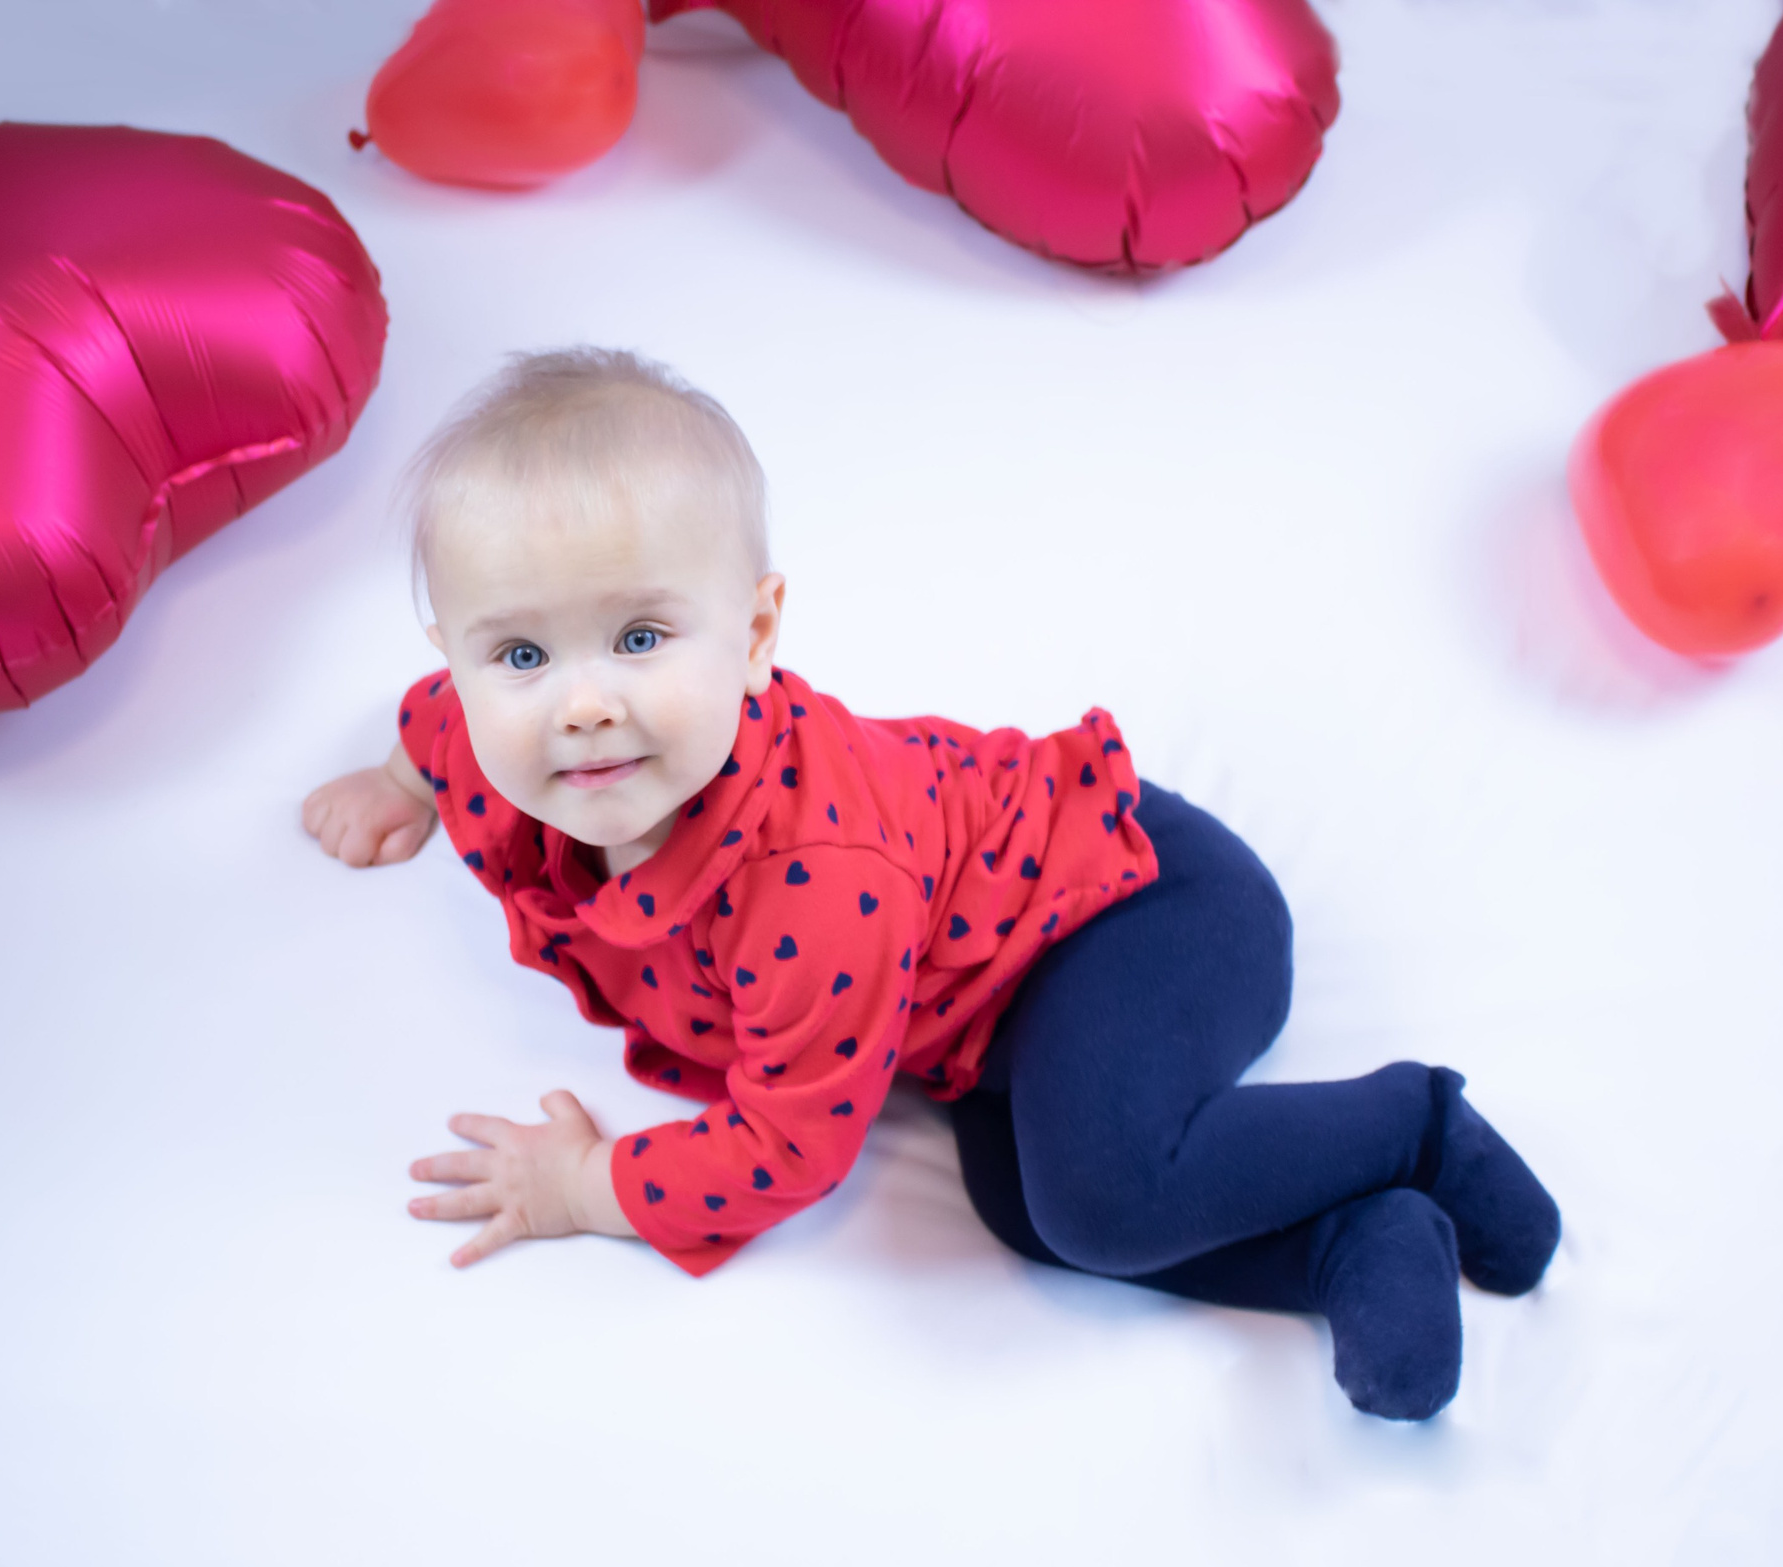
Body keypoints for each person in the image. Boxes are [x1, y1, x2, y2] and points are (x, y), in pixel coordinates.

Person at [302, 348, 1560, 1420]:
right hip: (995, 1010)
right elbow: (433, 725)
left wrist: (586, 1188)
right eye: (521, 654)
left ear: (754, 635)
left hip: (1140, 907)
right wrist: (398, 785)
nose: (581, 703)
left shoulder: (806, 884)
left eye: (640, 638)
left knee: (1101, 1197)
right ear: (460, 658)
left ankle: (1417, 1127)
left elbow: (789, 1145)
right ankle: (1348, 1242)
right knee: (1024, 1215)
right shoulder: (483, 732)